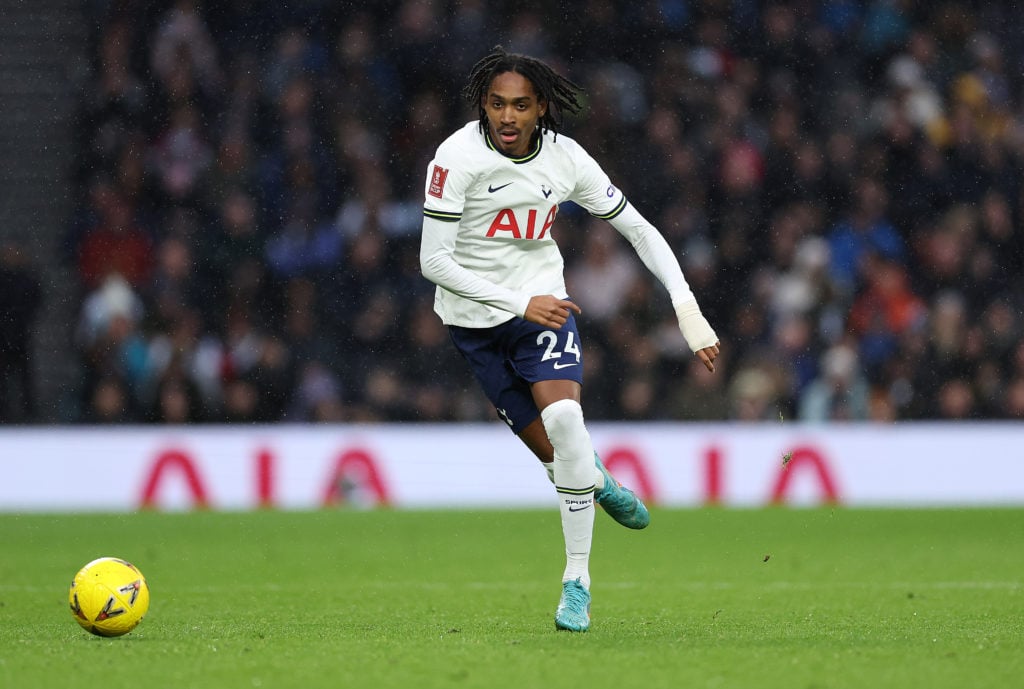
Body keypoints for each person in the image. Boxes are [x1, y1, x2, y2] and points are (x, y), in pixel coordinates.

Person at [419, 46, 720, 632]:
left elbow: (639, 228)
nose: (507, 117)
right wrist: (514, 301)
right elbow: (433, 261)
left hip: (544, 310)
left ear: (542, 109)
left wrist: (687, 309)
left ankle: (576, 583)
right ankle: (599, 481)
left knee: (566, 425)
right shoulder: (456, 158)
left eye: (521, 106)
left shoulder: (567, 160)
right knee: (562, 462)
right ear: (484, 104)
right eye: (497, 104)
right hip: (473, 322)